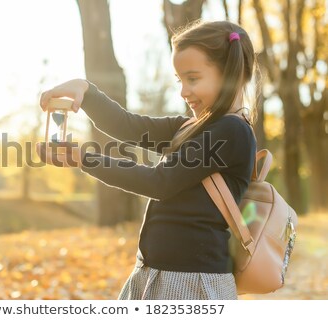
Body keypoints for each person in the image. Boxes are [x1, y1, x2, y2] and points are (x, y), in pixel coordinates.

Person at [37, 20, 258, 300]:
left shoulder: (233, 131)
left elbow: (160, 182)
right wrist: (86, 91)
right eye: (180, 81)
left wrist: (85, 159)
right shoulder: (190, 127)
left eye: (193, 78)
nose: (183, 91)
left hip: (192, 281)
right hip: (154, 272)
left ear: (231, 74)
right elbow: (128, 127)